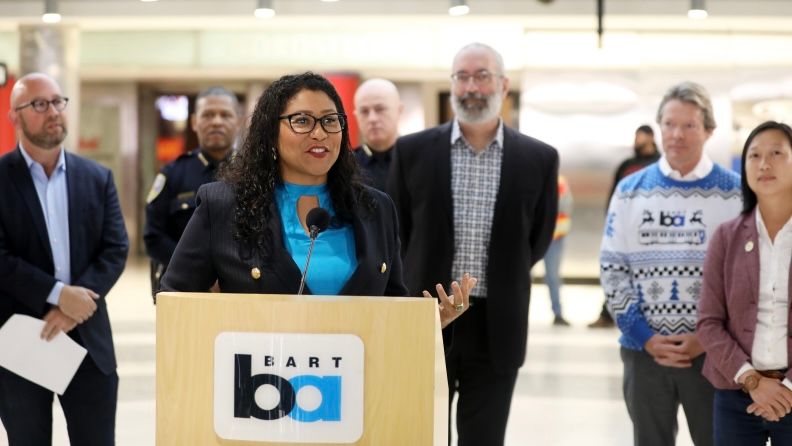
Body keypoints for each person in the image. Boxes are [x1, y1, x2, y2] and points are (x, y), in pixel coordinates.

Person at [160, 72, 475, 330]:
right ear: (271, 132)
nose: (320, 133)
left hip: (355, 389)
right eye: (302, 121)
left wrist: (434, 321)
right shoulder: (223, 205)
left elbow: (390, 307)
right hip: (260, 388)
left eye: (329, 120)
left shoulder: (375, 208)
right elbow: (175, 300)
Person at [388, 43, 558, 445]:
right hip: (428, 315)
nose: (471, 87)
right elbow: (398, 232)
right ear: (452, 86)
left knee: (484, 437)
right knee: (422, 432)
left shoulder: (539, 158)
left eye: (481, 76)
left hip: (498, 321)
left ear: (503, 85)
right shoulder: (411, 152)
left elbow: (537, 238)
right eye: (462, 77)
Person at [599, 81, 742, 446]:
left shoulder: (737, 193)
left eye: (689, 125)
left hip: (714, 356)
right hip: (644, 354)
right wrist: (645, 337)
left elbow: (745, 280)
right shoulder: (630, 191)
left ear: (709, 130)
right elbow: (613, 269)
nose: (676, 134)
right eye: (669, 124)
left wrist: (708, 338)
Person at [0, 73, 129, 444]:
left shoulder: (96, 177)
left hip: (88, 341)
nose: (53, 111)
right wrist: (58, 294)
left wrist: (76, 303)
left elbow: (115, 247)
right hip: (21, 338)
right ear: (15, 117)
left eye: (58, 101)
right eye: (39, 104)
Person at [698, 121, 792, 445]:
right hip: (735, 393)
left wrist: (785, 390)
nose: (764, 164)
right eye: (753, 156)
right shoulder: (726, 236)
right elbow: (708, 322)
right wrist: (753, 381)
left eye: (776, 153)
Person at [144, 86, 242, 301]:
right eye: (208, 115)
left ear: (238, 121)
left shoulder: (254, 173)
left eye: (225, 115)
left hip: (241, 289)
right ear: (194, 122)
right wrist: (201, 273)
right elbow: (154, 236)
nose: (217, 121)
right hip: (184, 289)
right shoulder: (173, 174)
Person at [590, 124, 660, 328]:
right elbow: (615, 194)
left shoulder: (660, 164)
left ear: (651, 138)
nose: (638, 141)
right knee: (616, 270)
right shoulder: (626, 164)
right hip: (624, 227)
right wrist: (610, 221)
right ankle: (608, 313)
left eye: (641, 137)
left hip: (650, 230)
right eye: (636, 137)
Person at [352, 78, 403, 191]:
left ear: (399, 110)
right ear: (356, 116)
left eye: (380, 109)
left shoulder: (419, 160)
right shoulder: (347, 166)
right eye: (364, 111)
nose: (372, 119)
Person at [545, 175, 572, 326]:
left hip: (554, 237)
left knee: (553, 277)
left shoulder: (559, 182)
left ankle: (558, 314)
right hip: (535, 237)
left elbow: (564, 205)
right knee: (524, 278)